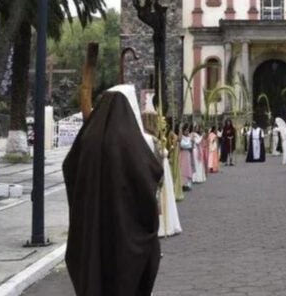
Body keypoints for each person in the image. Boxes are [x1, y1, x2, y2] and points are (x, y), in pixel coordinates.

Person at [63, 85, 163, 296]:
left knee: (94, 271)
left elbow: (69, 167)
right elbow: (149, 174)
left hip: (91, 224)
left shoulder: (87, 137)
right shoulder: (128, 140)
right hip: (121, 225)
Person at [143, 113, 182, 238]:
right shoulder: (154, 140)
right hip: (161, 167)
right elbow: (162, 153)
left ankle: (165, 225)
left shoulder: (157, 140)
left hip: (163, 167)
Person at [179, 126, 194, 190]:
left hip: (188, 154)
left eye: (188, 131)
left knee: (188, 168)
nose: (187, 132)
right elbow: (182, 145)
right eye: (186, 131)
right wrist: (189, 144)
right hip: (183, 154)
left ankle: (187, 184)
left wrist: (190, 144)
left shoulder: (189, 138)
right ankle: (183, 184)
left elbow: (191, 146)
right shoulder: (182, 137)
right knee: (183, 168)